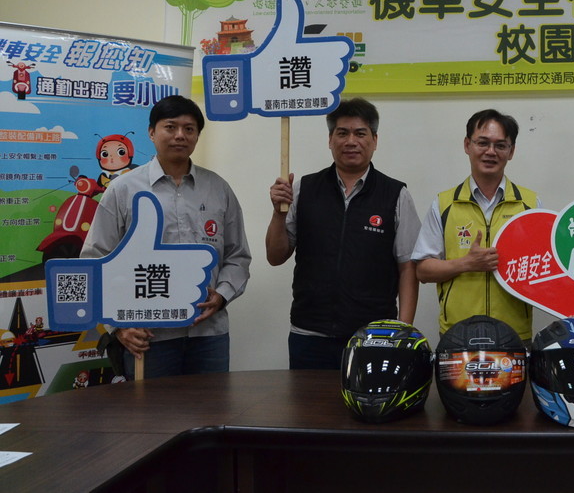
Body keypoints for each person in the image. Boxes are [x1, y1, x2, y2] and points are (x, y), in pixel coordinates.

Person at [81, 95, 251, 379]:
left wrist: (222, 295)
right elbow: (95, 259)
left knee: (210, 405)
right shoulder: (123, 189)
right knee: (152, 408)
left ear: (197, 136)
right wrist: (118, 326)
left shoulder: (218, 188)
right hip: (148, 336)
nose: (180, 135)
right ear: (152, 132)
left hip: (208, 335)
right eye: (170, 127)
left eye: (189, 129)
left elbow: (238, 256)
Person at [266, 97, 420, 370]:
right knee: (307, 400)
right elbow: (275, 256)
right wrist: (278, 214)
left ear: (374, 140)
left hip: (373, 334)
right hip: (309, 333)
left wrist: (403, 330)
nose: (351, 141)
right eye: (342, 133)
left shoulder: (396, 194)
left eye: (360, 133)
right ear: (330, 139)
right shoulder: (303, 189)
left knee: (368, 400)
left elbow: (408, 267)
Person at [412, 109, 538, 342]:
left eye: (500, 145)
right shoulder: (444, 204)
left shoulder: (530, 205)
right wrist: (467, 263)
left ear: (511, 151)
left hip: (514, 334)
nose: (491, 152)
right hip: (457, 334)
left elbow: (545, 269)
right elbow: (423, 270)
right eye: (483, 143)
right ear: (467, 145)